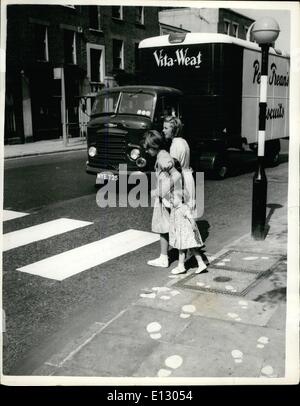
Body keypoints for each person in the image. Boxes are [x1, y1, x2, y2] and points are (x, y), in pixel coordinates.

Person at [143, 130, 207, 275]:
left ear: (154, 146)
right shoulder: (163, 154)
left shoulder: (162, 158)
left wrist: (160, 191)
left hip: (169, 199)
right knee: (174, 227)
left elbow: (177, 175)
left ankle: (169, 259)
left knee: (170, 227)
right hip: (171, 198)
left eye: (148, 148)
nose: (146, 151)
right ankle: (185, 259)